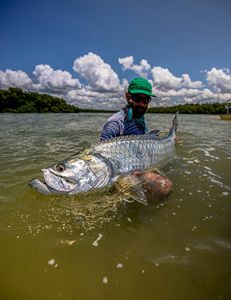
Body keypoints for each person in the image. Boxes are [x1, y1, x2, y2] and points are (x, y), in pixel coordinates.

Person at [100, 77, 173, 205]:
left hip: (140, 168)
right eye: (138, 99)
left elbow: (144, 141)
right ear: (128, 97)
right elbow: (102, 160)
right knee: (165, 186)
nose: (142, 104)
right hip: (123, 173)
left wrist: (170, 139)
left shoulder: (139, 118)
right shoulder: (115, 124)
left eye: (146, 100)